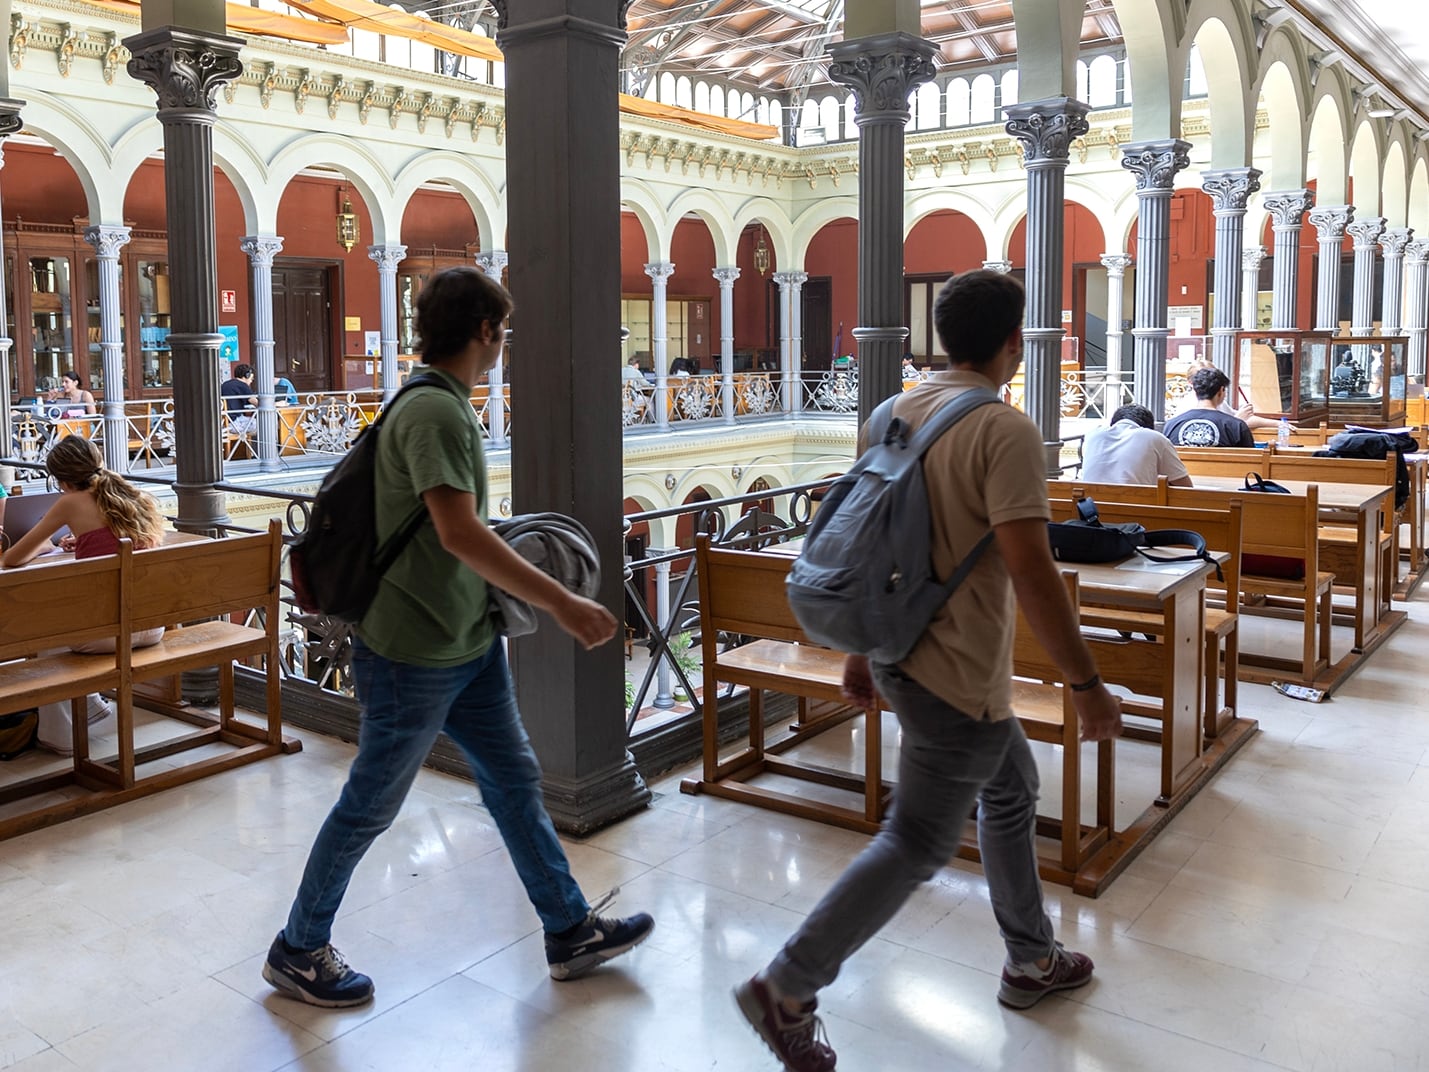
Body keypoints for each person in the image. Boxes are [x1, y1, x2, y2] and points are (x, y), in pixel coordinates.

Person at [733, 270, 1122, 1071]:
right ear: (1014, 342)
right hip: (957, 675)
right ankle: (788, 987)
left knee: (1009, 789)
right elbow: (1031, 568)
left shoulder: (891, 410)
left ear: (939, 336)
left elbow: (861, 534)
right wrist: (1084, 683)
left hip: (902, 656)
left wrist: (859, 649)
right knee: (914, 841)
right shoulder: (1002, 429)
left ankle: (1030, 957)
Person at [264, 266, 653, 1009]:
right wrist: (563, 601)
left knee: (514, 786)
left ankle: (568, 929)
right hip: (412, 650)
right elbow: (458, 531)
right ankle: (298, 947)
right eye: (501, 330)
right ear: (484, 331)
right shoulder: (436, 412)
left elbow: (448, 532)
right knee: (370, 804)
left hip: (464, 642)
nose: (503, 342)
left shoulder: (435, 403)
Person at [1, 436, 168, 752]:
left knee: (41, 635)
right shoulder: (131, 496)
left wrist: (43, 546)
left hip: (110, 635)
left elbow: (12, 559)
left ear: (62, 479)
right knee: (63, 626)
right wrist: (85, 541)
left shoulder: (70, 502)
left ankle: (60, 735)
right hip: (151, 627)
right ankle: (89, 707)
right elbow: (121, 546)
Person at [1082, 403, 1193, 486]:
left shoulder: (1092, 435)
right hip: (1136, 511)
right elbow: (1185, 487)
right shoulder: (1155, 438)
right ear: (1149, 427)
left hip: (1089, 511)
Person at [1162, 367, 1255, 447]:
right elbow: (1251, 461)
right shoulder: (1236, 426)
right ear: (1221, 391)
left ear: (1195, 390)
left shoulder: (1171, 425)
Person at [221, 363, 257, 433]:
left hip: (223, 424)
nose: (251, 381)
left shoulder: (225, 384)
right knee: (263, 424)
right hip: (234, 423)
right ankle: (273, 443)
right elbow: (258, 403)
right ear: (247, 375)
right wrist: (276, 404)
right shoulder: (242, 385)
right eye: (251, 379)